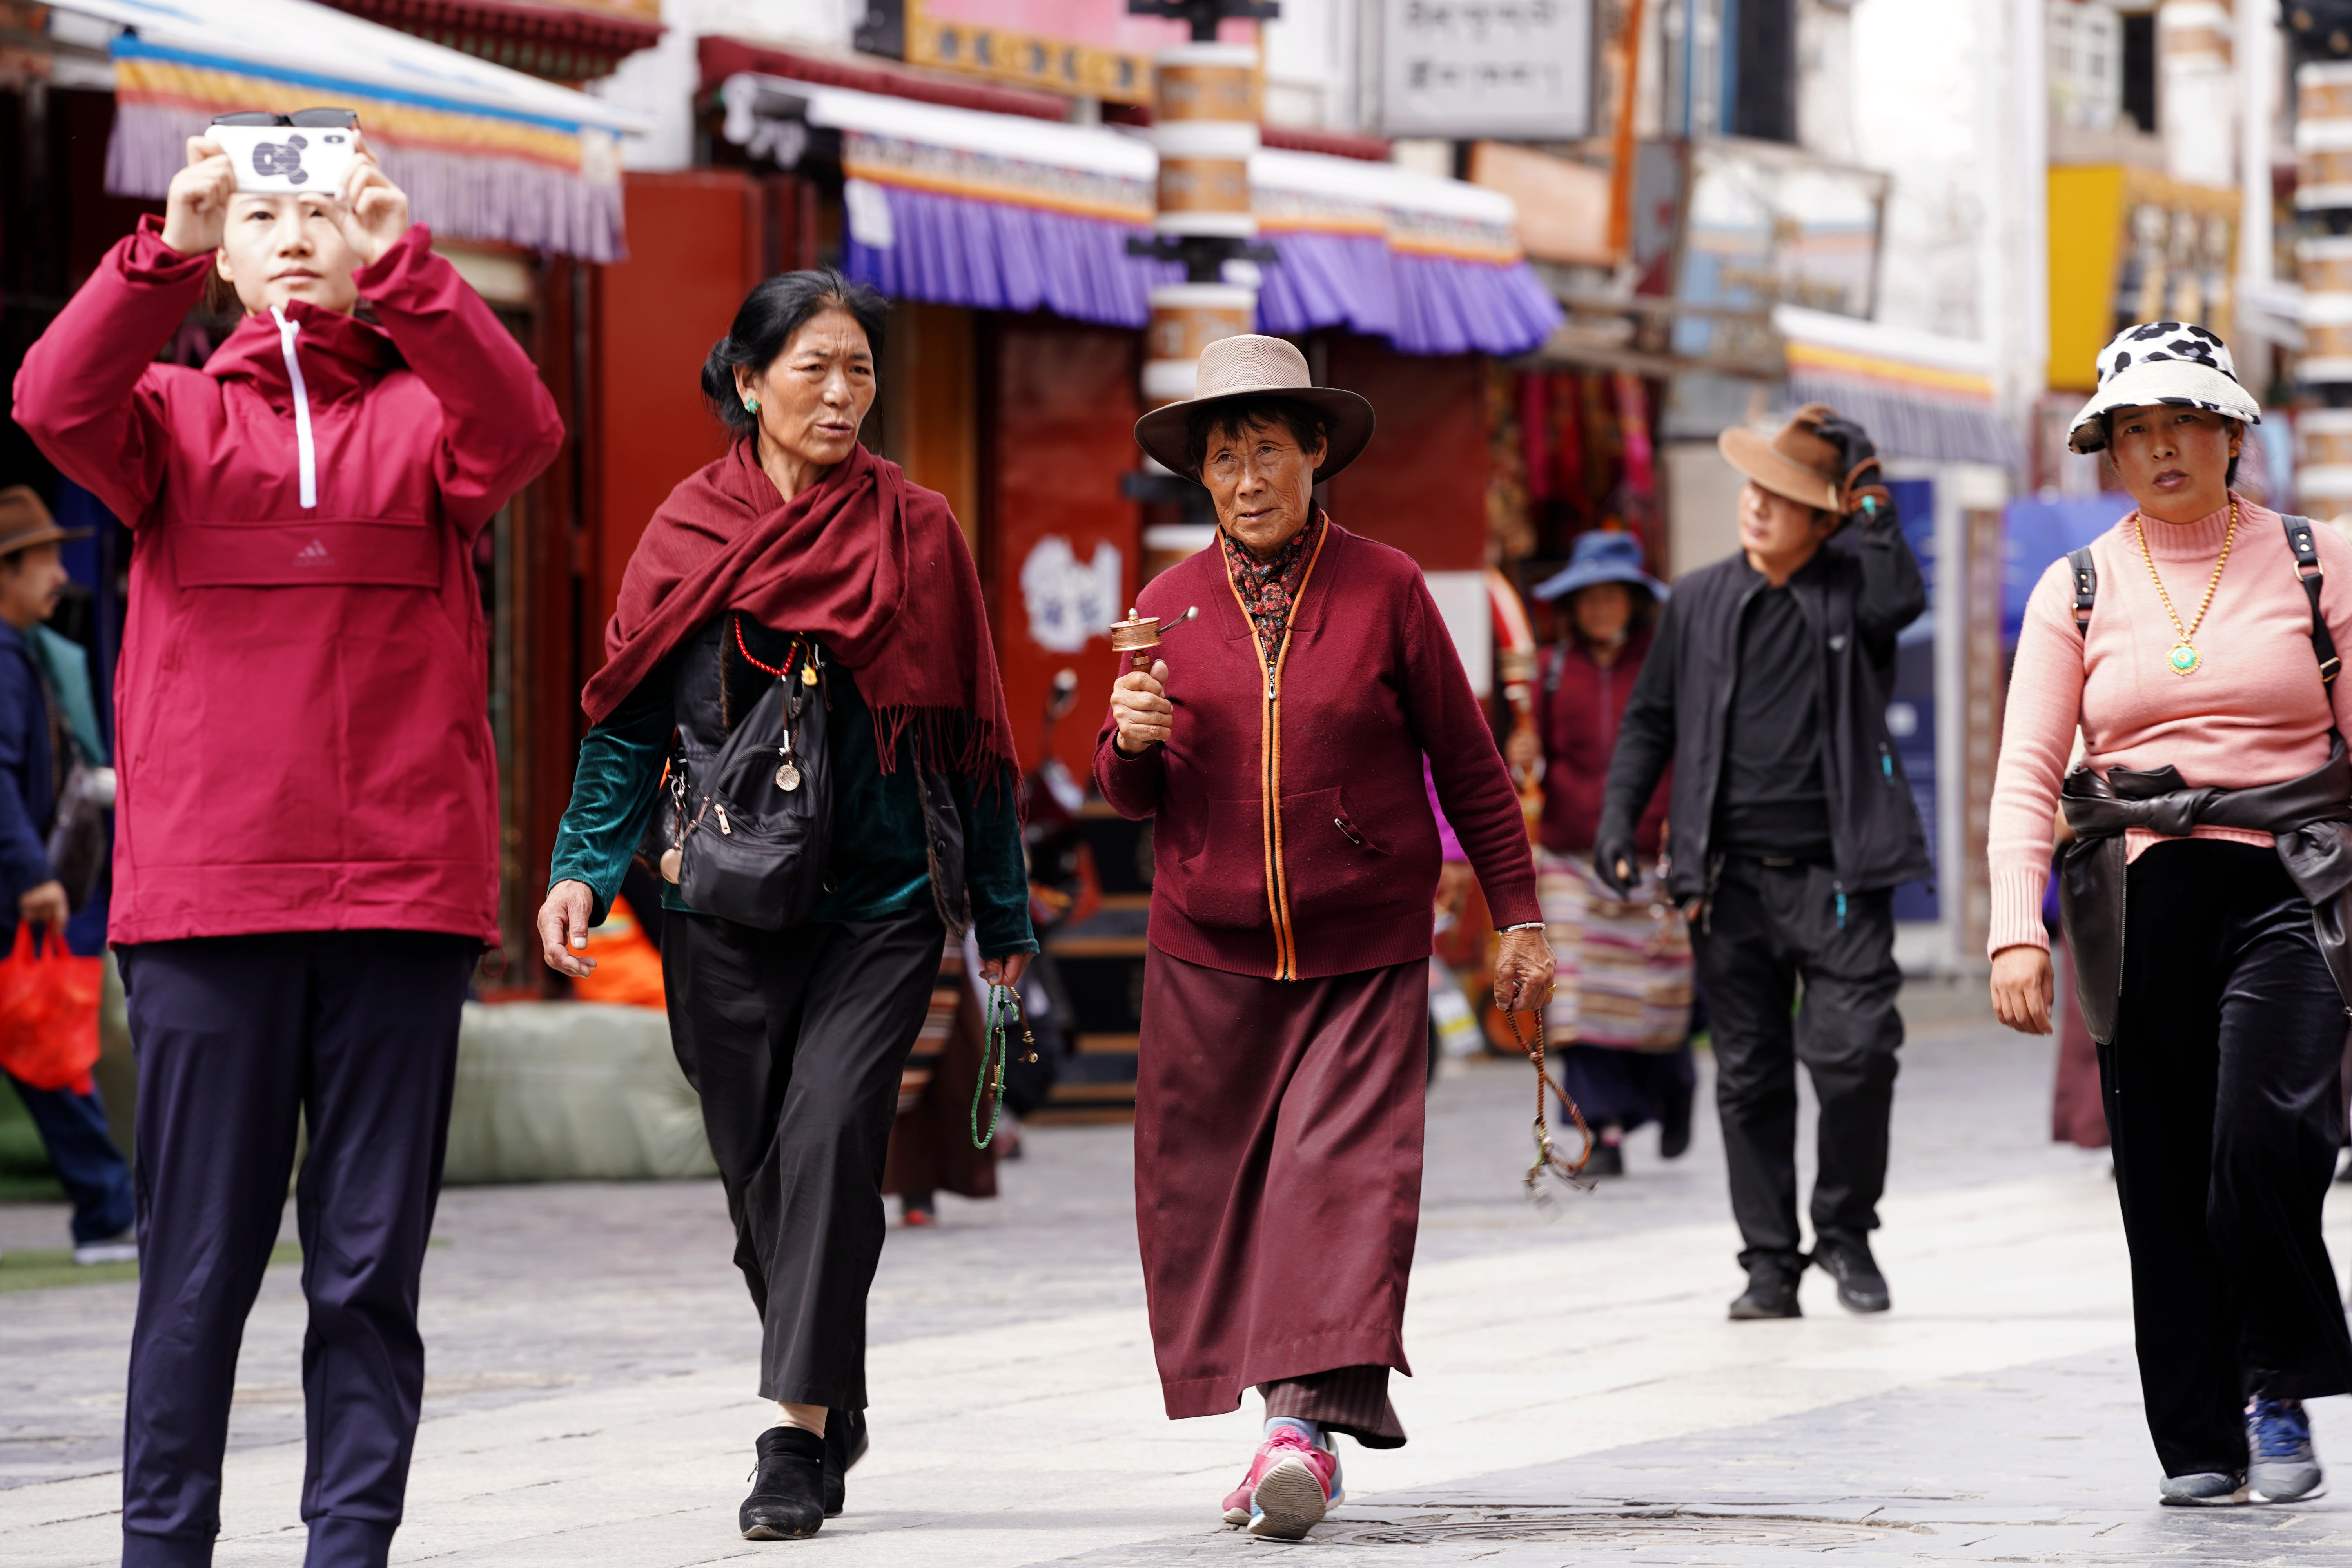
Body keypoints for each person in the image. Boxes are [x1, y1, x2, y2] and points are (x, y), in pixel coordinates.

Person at [13, 129, 563, 1567]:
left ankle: (349, 1548)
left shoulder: (429, 425)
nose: (299, 233)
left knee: (368, 1270)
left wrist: (414, 269)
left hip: (398, 896)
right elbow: (46, 395)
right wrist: (163, 241)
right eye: (266, 214)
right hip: (206, 902)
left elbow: (527, 432)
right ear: (230, 257)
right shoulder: (167, 420)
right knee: (191, 1271)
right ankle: (161, 1549)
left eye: (324, 210)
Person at [536, 269, 1034, 1543]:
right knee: (758, 1169)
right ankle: (827, 1381)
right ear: (749, 382)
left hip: (884, 904)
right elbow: (626, 718)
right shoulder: (686, 534)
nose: (839, 391)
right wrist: (583, 868)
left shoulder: (919, 533)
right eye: (812, 366)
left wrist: (1004, 922)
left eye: (859, 369)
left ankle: (791, 1441)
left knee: (826, 1148)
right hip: (717, 906)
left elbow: (973, 742)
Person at [1099, 335, 1552, 1542]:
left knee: (1336, 1182)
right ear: (1201, 477)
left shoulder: (1389, 587)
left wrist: (1519, 913)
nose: (1248, 478)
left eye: (1269, 450)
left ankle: (1295, 1431)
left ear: (1316, 455)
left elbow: (1470, 764)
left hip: (1361, 945)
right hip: (1207, 951)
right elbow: (1133, 798)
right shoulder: (1164, 607)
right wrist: (1129, 738)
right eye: (1225, 456)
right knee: (1216, 1194)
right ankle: (1278, 1411)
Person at [1988, 323, 2352, 1508]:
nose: (2161, 448)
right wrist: (2011, 926)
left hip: (2296, 885)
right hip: (2135, 898)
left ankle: (2277, 1378)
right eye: (2134, 430)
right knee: (2162, 1173)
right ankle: (2198, 1433)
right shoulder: (2077, 585)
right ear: (2109, 451)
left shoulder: (2318, 561)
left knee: (2264, 1135)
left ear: (2235, 431)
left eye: (2184, 421)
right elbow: (2027, 769)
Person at [1595, 403, 1928, 1321]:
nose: (1758, 508)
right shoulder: (1696, 600)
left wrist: (1871, 505)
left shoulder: (1852, 593)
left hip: (1839, 877)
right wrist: (1623, 817)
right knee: (1747, 1072)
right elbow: (1651, 719)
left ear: (1824, 519)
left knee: (1857, 1054)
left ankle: (1847, 1231)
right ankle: (1769, 1263)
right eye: (1754, 490)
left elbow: (1903, 599)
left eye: (1784, 499)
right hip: (1726, 879)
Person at [1512, 529, 1693, 1177]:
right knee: (1581, 1001)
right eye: (1587, 598)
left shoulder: (1668, 665)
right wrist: (1522, 758)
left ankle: (1676, 1091)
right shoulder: (1555, 669)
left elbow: (1687, 754)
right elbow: (1528, 753)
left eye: (1612, 596)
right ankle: (1604, 1134)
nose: (1599, 610)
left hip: (1654, 856)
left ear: (1636, 601)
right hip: (1570, 856)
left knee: (1657, 999)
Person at [0, 486, 133, 1267]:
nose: (59, 573)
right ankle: (105, 1207)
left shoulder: (24, 652)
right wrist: (30, 875)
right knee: (49, 1050)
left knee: (47, 1047)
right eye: (43, 559)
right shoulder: (7, 657)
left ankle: (105, 1206)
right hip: (13, 892)